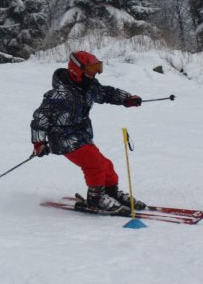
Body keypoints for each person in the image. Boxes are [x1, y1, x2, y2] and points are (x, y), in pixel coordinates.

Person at [30, 51, 145, 213]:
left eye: (97, 68)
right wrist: (39, 143)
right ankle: (96, 199)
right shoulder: (59, 94)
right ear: (76, 70)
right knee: (95, 165)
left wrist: (126, 98)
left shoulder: (89, 86)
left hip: (82, 136)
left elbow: (106, 93)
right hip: (64, 139)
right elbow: (40, 117)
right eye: (91, 69)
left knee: (106, 165)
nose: (95, 73)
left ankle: (110, 192)